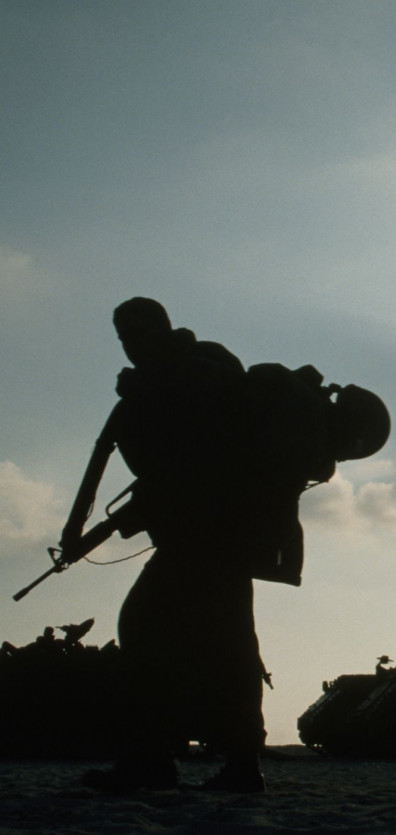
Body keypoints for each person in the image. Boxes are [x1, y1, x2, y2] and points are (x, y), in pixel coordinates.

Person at [80, 298, 265, 793]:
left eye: (139, 334)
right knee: (225, 643)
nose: (132, 345)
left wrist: (150, 506)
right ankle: (232, 764)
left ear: (162, 329)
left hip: (209, 535)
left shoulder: (188, 379)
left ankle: (158, 759)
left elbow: (191, 465)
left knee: (148, 628)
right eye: (124, 338)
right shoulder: (170, 383)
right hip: (207, 536)